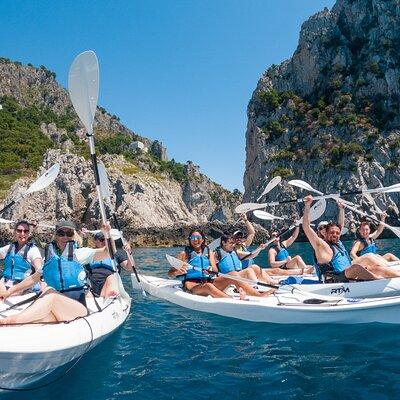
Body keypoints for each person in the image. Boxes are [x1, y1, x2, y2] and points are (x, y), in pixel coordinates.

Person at [0, 220, 112, 325]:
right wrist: (8, 292)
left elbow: (107, 252)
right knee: (40, 312)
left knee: (51, 294)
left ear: (73, 236)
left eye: (69, 233)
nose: (65, 237)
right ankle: (15, 322)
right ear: (56, 236)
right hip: (58, 310)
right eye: (61, 233)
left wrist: (107, 235)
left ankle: (14, 319)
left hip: (77, 308)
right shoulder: (49, 259)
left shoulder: (79, 253)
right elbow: (34, 278)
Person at [302, 195, 400, 283]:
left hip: (347, 272)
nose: (335, 234)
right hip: (334, 279)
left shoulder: (338, 242)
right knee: (356, 268)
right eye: (332, 233)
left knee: (376, 268)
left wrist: (341, 209)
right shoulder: (322, 246)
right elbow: (306, 227)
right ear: (325, 233)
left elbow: (341, 224)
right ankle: (379, 282)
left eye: (337, 233)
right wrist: (307, 206)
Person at [168, 230, 244, 298]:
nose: (195, 240)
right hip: (193, 285)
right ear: (190, 240)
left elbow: (215, 270)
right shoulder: (184, 254)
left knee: (233, 274)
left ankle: (254, 294)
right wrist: (177, 272)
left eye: (198, 237)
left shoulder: (208, 252)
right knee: (208, 286)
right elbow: (170, 273)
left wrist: (211, 270)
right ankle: (232, 301)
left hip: (209, 281)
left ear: (203, 239)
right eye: (192, 238)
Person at [0, 220, 42, 298]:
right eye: (19, 231)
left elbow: (39, 270)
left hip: (21, 289)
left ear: (28, 233)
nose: (22, 233)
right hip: (4, 285)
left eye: (25, 231)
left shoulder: (33, 250)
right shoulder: (9, 248)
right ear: (15, 232)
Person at [85, 231, 134, 298]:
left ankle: (108, 296)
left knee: (111, 278)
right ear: (95, 241)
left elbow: (129, 268)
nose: (105, 242)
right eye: (102, 240)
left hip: (110, 279)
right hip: (92, 281)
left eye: (106, 240)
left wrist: (129, 253)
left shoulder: (117, 254)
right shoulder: (90, 254)